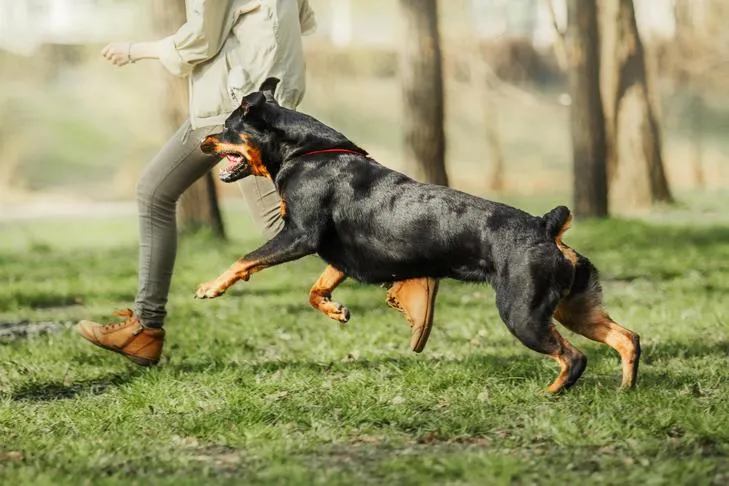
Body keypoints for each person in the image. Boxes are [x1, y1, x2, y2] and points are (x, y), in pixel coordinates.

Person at [76, 0, 439, 366]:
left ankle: (144, 329)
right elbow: (302, 18)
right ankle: (405, 267)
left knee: (170, 196)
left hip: (236, 109)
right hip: (268, 97)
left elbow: (200, 39)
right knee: (263, 218)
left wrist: (135, 50)